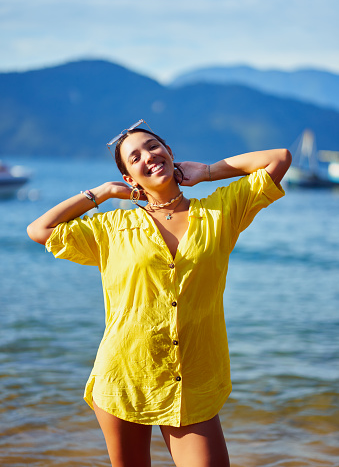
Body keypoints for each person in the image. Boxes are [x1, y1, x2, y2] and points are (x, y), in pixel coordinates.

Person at [27, 119, 292, 467]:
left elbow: (279, 159)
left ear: (170, 153)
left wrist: (209, 171)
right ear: (129, 179)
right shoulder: (112, 227)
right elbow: (40, 229)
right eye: (134, 157)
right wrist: (100, 194)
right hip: (124, 375)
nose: (148, 156)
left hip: (193, 379)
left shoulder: (219, 211)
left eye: (153, 146)